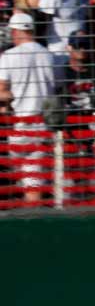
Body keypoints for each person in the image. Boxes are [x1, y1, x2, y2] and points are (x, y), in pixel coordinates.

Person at [0, 13, 56, 202]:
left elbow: (2, 92)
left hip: (20, 124)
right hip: (44, 123)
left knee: (27, 178)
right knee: (34, 177)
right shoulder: (48, 55)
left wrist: (10, 96)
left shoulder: (8, 56)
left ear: (15, 31)